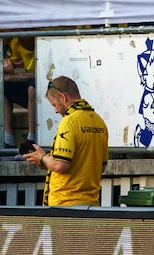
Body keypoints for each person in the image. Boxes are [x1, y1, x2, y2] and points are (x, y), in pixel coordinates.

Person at [25, 75, 109, 207]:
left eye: (55, 104)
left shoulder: (69, 122)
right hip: (91, 203)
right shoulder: (99, 122)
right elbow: (101, 166)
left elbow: (61, 165)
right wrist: (47, 163)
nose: (56, 110)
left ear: (62, 97)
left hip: (65, 204)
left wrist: (42, 157)